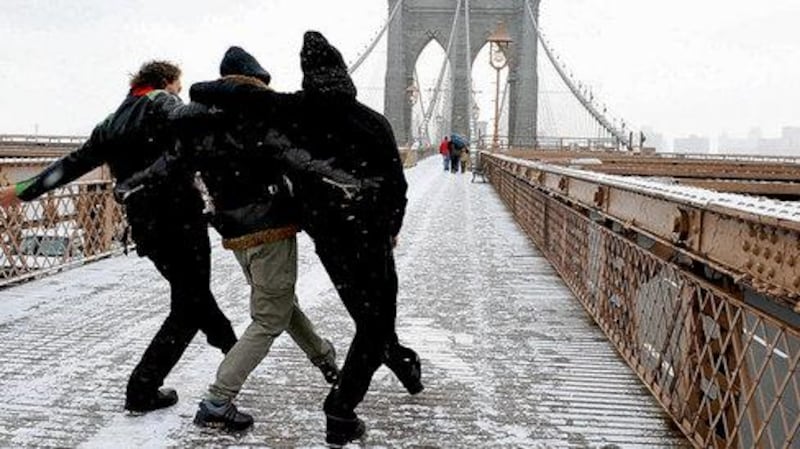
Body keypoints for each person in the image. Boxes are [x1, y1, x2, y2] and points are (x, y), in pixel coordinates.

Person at [188, 31, 423, 447]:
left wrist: (197, 87)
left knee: (371, 321)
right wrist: (390, 229)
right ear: (343, 72)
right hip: (370, 239)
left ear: (307, 75)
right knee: (375, 323)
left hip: (330, 242)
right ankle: (341, 411)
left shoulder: (292, 109)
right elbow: (397, 188)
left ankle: (399, 365)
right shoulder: (372, 121)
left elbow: (230, 94)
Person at [116, 47, 351, 432]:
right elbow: (296, 158)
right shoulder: (259, 114)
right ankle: (217, 401)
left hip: (237, 234)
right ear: (254, 82)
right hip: (270, 228)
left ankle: (325, 358)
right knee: (268, 317)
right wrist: (345, 180)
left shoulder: (196, 119)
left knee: (278, 302)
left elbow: (170, 163)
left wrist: (132, 182)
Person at [0, 61, 237, 414]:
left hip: (145, 226)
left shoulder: (109, 124)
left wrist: (21, 191)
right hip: (180, 219)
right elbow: (193, 131)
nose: (178, 92)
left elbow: (69, 166)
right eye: (178, 86)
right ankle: (148, 386)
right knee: (191, 303)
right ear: (167, 82)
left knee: (191, 298)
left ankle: (229, 352)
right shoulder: (163, 102)